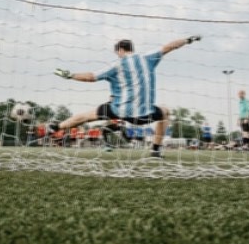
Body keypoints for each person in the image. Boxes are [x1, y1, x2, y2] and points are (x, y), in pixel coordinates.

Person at [50, 35, 202, 158]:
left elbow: (91, 77)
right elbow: (169, 46)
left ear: (120, 50)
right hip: (145, 115)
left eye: (117, 52)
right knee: (165, 112)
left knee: (87, 116)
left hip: (119, 111)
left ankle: (56, 127)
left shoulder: (116, 65)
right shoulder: (148, 57)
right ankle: (155, 149)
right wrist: (188, 40)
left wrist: (70, 75)